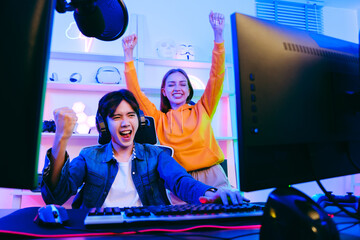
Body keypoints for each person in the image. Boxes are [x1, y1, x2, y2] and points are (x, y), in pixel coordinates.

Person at [41, 89, 246, 209]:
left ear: (139, 120)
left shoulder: (156, 155)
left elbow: (181, 181)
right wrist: (61, 137)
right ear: (103, 124)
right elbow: (55, 196)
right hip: (97, 233)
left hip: (146, 233)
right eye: (117, 117)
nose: (125, 123)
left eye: (130, 115)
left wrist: (211, 192)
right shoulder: (89, 156)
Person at [122, 12, 231, 203]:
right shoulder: (158, 118)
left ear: (188, 90)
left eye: (182, 84)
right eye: (171, 84)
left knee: (226, 224)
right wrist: (129, 56)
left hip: (214, 176)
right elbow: (136, 95)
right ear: (164, 91)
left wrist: (218, 37)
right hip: (181, 181)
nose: (177, 88)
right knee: (185, 229)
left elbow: (217, 76)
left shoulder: (203, 108)